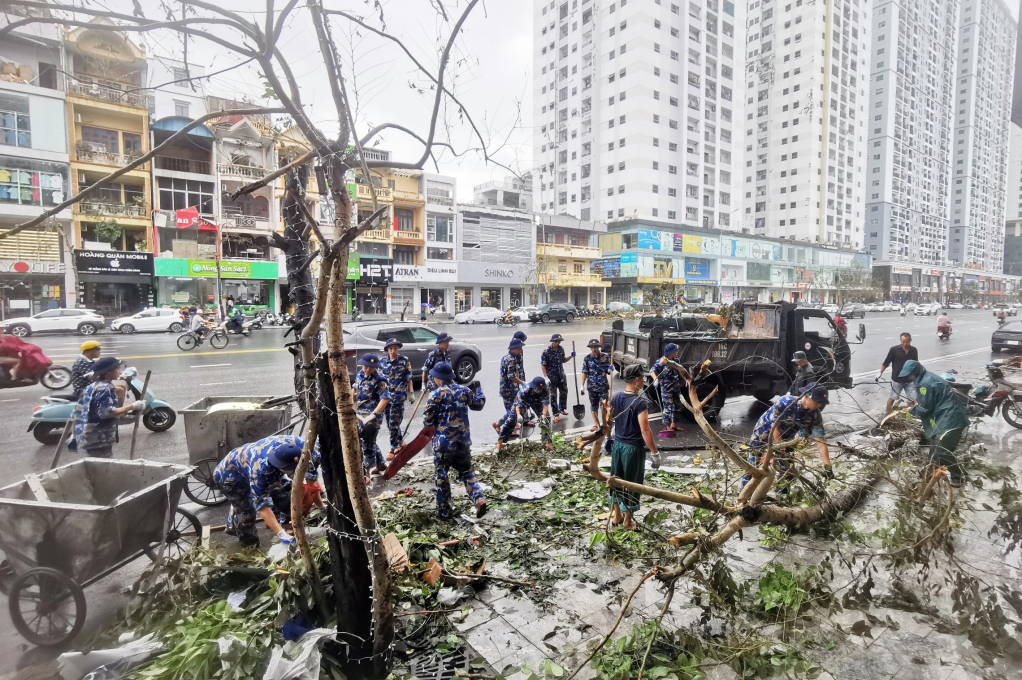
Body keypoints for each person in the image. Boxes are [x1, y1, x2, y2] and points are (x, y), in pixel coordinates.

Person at [212, 435, 323, 547]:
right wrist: (281, 534)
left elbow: (311, 482)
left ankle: (234, 523)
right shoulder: (260, 472)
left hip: (249, 463)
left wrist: (322, 507)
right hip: (230, 476)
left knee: (284, 489)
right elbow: (262, 505)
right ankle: (249, 546)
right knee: (246, 510)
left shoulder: (308, 449)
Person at [422, 361, 487, 519]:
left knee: (441, 474)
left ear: (438, 378)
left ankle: (444, 510)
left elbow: (427, 421)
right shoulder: (464, 390)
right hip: (463, 441)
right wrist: (478, 389)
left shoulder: (436, 394)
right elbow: (479, 404)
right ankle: (478, 498)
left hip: (444, 444)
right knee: (466, 471)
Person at [607, 364, 662, 531]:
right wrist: (655, 453)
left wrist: (608, 438)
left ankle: (616, 516)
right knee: (632, 484)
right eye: (642, 379)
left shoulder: (616, 397)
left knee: (616, 480)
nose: (643, 382)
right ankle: (627, 521)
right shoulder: (640, 403)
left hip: (618, 446)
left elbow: (609, 419)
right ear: (637, 380)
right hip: (632, 450)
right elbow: (645, 430)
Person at [899, 360, 969, 487]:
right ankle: (930, 475)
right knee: (934, 451)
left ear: (915, 372)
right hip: (945, 417)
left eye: (910, 375)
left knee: (942, 452)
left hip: (951, 420)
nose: (908, 377)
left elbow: (925, 409)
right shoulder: (926, 377)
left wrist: (911, 410)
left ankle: (958, 477)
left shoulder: (925, 384)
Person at [745, 383, 832, 480]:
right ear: (806, 396)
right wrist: (781, 448)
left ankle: (782, 493)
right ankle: (746, 493)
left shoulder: (815, 415)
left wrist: (828, 467)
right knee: (753, 470)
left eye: (821, 402)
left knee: (788, 472)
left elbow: (820, 440)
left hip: (786, 440)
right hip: (762, 434)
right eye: (817, 401)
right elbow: (774, 427)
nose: (819, 405)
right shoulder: (786, 402)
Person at [69, 356, 144, 458]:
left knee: (97, 464)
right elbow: (107, 413)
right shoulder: (104, 389)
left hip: (90, 433)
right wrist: (132, 406)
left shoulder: (93, 386)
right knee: (102, 465)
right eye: (117, 369)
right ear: (109, 372)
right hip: (97, 436)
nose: (120, 372)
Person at [353, 353, 391, 479]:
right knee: (370, 440)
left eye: (371, 367)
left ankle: (366, 474)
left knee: (367, 443)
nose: (368, 369)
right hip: (360, 414)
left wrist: (374, 414)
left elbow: (385, 399)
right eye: (366, 366)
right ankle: (380, 464)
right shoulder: (360, 374)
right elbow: (354, 389)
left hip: (372, 417)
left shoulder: (380, 379)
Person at [495, 376, 554, 453]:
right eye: (537, 389)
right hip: (523, 402)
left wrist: (543, 415)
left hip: (537, 402)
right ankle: (500, 442)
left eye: (540, 389)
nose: (538, 391)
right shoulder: (525, 390)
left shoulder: (546, 390)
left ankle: (546, 442)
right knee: (511, 419)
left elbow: (545, 405)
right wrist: (519, 415)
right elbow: (517, 405)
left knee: (546, 419)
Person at [380, 338, 414, 458]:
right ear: (387, 350)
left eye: (395, 348)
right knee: (390, 423)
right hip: (386, 397)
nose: (393, 351)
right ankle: (401, 442)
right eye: (391, 348)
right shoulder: (382, 361)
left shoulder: (404, 361)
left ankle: (393, 448)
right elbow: (379, 379)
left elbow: (409, 377)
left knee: (394, 423)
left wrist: (411, 392)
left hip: (398, 396)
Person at [878, 333, 919, 414]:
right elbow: (886, 362)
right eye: (903, 342)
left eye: (907, 342)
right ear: (900, 340)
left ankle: (910, 413)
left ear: (910, 341)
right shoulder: (894, 350)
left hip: (909, 380)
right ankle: (888, 412)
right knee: (893, 397)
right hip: (897, 379)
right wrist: (880, 372)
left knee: (912, 398)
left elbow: (915, 364)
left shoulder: (914, 350)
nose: (905, 344)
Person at [650, 343, 683, 432]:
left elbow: (680, 370)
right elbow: (652, 370)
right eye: (675, 350)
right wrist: (655, 379)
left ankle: (674, 424)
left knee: (678, 406)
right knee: (668, 408)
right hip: (666, 389)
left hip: (676, 387)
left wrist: (687, 378)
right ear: (671, 352)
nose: (677, 352)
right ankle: (667, 426)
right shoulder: (661, 361)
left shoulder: (676, 360)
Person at [582, 339, 613, 432]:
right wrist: (581, 385)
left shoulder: (605, 357)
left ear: (598, 347)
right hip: (592, 387)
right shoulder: (587, 358)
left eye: (595, 347)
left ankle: (604, 422)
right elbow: (584, 372)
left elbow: (608, 371)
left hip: (603, 386)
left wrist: (610, 369)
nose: (593, 349)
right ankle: (595, 423)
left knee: (604, 406)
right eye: (592, 347)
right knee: (593, 406)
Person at [541, 333, 574, 418]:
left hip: (561, 375)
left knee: (564, 392)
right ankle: (555, 413)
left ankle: (562, 409)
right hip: (552, 376)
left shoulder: (561, 349)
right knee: (553, 395)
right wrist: (546, 376)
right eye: (556, 342)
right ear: (553, 341)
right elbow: (543, 364)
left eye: (559, 342)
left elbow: (563, 360)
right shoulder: (547, 351)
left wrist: (571, 356)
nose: (558, 343)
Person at [499, 338, 527, 411]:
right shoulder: (511, 360)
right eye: (519, 348)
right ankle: (499, 422)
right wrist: (522, 382)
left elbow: (516, 371)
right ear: (514, 349)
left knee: (513, 410)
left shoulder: (505, 357)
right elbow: (511, 376)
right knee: (512, 412)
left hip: (505, 388)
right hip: (509, 389)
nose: (521, 350)